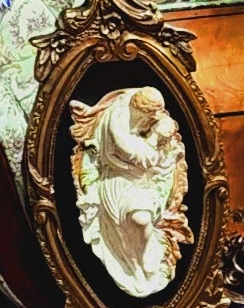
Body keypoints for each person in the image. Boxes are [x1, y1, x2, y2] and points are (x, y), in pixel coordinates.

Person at [70, 86, 191, 297]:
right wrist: (155, 137)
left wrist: (161, 130)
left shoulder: (138, 106)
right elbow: (144, 157)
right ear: (141, 110)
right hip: (116, 182)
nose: (154, 119)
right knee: (125, 233)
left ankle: (144, 255)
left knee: (142, 220)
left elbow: (162, 133)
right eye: (150, 115)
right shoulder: (116, 125)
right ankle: (134, 267)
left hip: (142, 183)